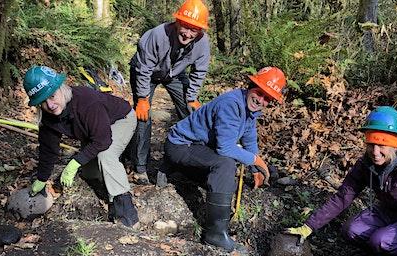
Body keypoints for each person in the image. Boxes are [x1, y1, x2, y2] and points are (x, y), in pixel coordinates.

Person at [286, 106, 397, 256]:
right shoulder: (365, 164)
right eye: (371, 144)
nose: (375, 152)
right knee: (351, 231)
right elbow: (342, 197)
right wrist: (308, 226)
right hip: (388, 213)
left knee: (380, 241)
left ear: (395, 144)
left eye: (382, 145)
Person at [161, 67, 287, 252]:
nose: (261, 100)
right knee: (225, 164)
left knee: (224, 181)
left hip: (199, 147)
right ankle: (215, 235)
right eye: (259, 93)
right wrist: (256, 161)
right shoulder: (231, 103)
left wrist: (254, 168)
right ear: (251, 86)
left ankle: (174, 167)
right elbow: (225, 148)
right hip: (181, 145)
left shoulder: (249, 109)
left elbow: (249, 137)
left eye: (267, 98)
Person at [23, 66, 139, 228]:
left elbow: (102, 140)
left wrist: (74, 163)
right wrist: (41, 179)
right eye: (42, 101)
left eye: (52, 96)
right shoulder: (48, 117)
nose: (50, 104)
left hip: (120, 119)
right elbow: (48, 150)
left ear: (61, 89)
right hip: (93, 130)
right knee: (90, 173)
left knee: (106, 155)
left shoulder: (87, 102)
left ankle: (126, 212)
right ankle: (105, 189)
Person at [129, 0, 211, 183]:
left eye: (194, 30)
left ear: (201, 31)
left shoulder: (203, 44)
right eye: (185, 27)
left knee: (191, 113)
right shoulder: (157, 35)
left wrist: (191, 97)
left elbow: (199, 71)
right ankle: (140, 167)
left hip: (174, 73)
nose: (187, 34)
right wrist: (143, 98)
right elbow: (143, 68)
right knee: (143, 116)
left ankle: (188, 160)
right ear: (177, 22)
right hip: (146, 72)